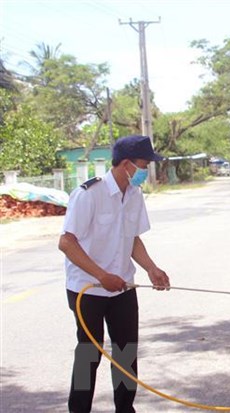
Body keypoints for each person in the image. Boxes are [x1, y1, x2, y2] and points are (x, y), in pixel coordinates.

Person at [59, 135, 171, 413]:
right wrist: (101, 275)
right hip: (88, 288)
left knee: (126, 353)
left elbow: (132, 238)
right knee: (89, 353)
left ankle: (125, 409)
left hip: (123, 287)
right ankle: (79, 409)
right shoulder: (88, 194)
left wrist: (152, 268)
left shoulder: (134, 195)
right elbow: (67, 242)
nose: (146, 171)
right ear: (125, 164)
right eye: (144, 165)